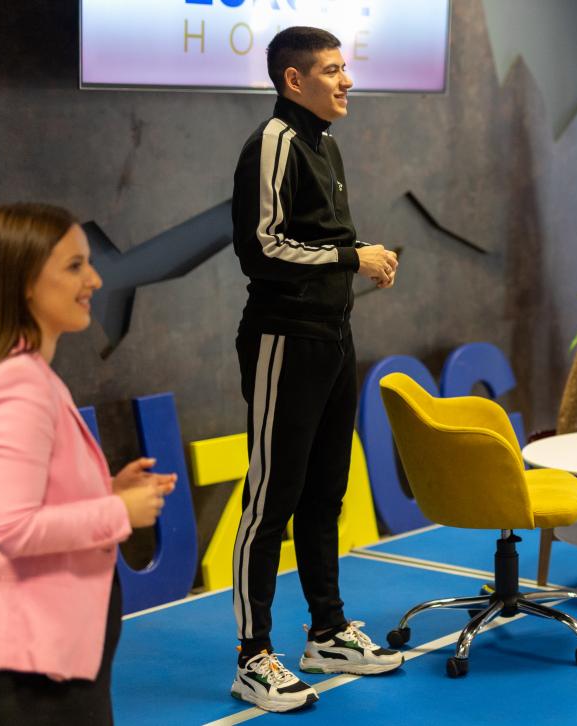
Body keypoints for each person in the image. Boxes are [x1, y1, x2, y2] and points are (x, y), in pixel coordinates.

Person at [228, 27, 402, 712]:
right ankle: (252, 657)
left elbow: (321, 239)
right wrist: (347, 259)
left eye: (345, 68)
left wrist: (364, 251)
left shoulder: (323, 143)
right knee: (271, 498)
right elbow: (260, 247)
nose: (346, 81)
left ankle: (326, 631)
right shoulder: (270, 142)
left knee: (326, 491)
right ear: (292, 80)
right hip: (283, 337)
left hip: (332, 333)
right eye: (332, 70)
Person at [0, 202, 174, 724]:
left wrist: (105, 490)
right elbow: (11, 527)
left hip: (51, 665)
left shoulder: (28, 376)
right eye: (75, 265)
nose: (96, 280)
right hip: (37, 678)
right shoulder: (19, 388)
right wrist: (118, 512)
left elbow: (31, 498)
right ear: (26, 281)